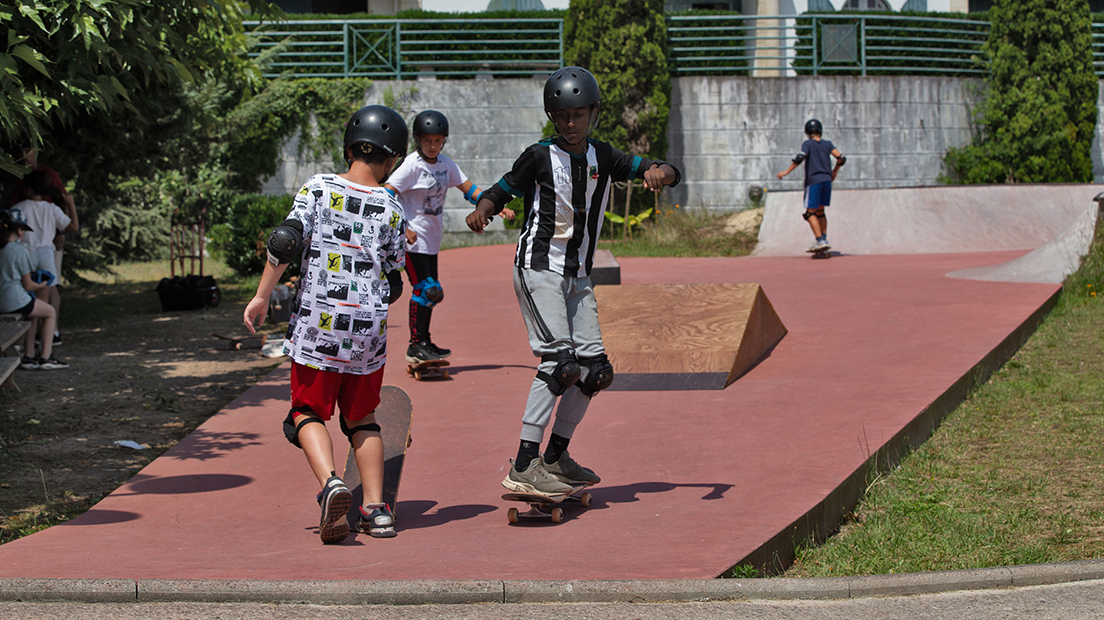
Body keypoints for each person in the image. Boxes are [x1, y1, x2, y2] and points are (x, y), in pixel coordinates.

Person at [465, 67, 681, 497]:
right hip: (538, 268)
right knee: (560, 365)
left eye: (578, 115)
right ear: (552, 117)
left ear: (593, 113)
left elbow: (660, 168)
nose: (570, 124)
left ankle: (556, 456)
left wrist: (663, 172)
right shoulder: (538, 156)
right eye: (562, 116)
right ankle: (524, 464)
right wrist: (483, 209)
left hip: (578, 276)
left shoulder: (605, 156)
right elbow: (503, 188)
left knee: (595, 371)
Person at [242, 105, 409, 544]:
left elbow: (285, 240)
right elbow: (394, 277)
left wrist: (262, 296)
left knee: (306, 412)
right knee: (362, 419)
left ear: (349, 149)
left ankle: (332, 484)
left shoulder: (318, 187)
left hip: (319, 327)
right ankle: (377, 511)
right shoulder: (392, 206)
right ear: (392, 159)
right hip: (367, 333)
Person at [384, 110, 507, 364]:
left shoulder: (445, 165)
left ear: (444, 141)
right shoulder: (411, 165)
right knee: (425, 290)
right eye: (427, 141)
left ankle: (424, 342)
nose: (432, 146)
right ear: (418, 140)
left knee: (432, 293)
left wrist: (495, 205)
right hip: (412, 242)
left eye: (438, 141)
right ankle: (416, 346)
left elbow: (470, 189)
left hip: (431, 242)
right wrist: (402, 227)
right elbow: (386, 194)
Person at [8, 140, 78, 345]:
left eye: (27, 150)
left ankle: (33, 342)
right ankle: (45, 339)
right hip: (45, 250)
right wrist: (70, 207)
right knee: (44, 296)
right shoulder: (48, 208)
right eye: (20, 151)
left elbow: (11, 221)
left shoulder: (24, 204)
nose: (23, 155)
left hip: (29, 251)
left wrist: (60, 232)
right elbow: (72, 222)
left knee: (30, 296)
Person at [0, 209, 66, 370]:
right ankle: (46, 357)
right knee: (49, 312)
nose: (23, 233)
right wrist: (42, 285)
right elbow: (28, 285)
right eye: (23, 229)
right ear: (18, 230)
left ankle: (29, 355)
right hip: (14, 300)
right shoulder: (19, 250)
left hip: (2, 299)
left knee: (34, 311)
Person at [776, 119, 846, 253]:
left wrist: (786, 171)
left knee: (810, 213)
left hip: (814, 181)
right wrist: (834, 172)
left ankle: (820, 241)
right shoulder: (828, 144)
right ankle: (824, 239)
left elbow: (800, 157)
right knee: (820, 212)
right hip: (827, 180)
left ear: (807, 133)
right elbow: (841, 158)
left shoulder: (807, 144)